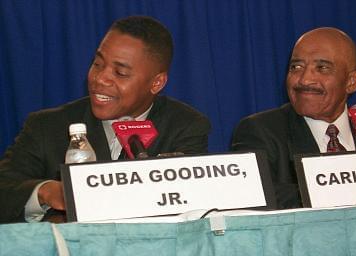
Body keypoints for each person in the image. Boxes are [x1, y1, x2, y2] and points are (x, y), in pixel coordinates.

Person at [0, 16, 211, 223]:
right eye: (98, 64)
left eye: (120, 73)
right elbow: (5, 189)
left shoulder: (186, 126)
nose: (100, 78)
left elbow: (190, 212)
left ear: (156, 83)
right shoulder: (46, 126)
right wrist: (45, 192)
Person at [231, 27, 356, 209]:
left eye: (322, 68)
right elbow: (255, 198)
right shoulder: (260, 131)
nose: (304, 80)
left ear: (351, 82)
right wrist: (347, 191)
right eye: (296, 67)